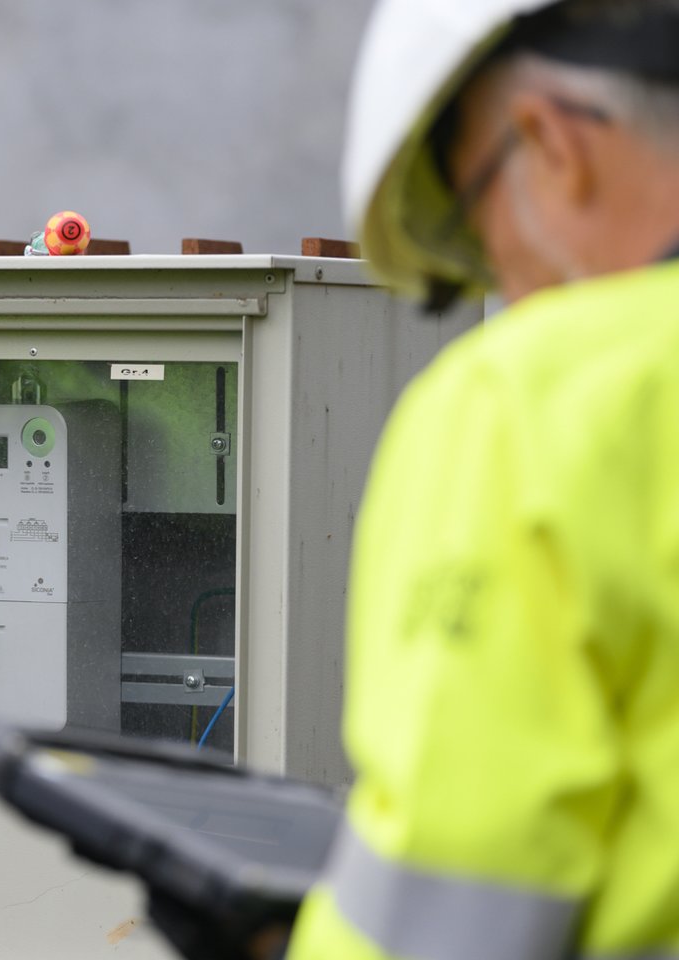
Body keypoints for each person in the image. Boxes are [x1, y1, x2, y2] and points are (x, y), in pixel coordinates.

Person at [282, 0, 679, 957]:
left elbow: (447, 901)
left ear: (550, 144)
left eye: (475, 217)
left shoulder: (529, 401)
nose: (505, 282)